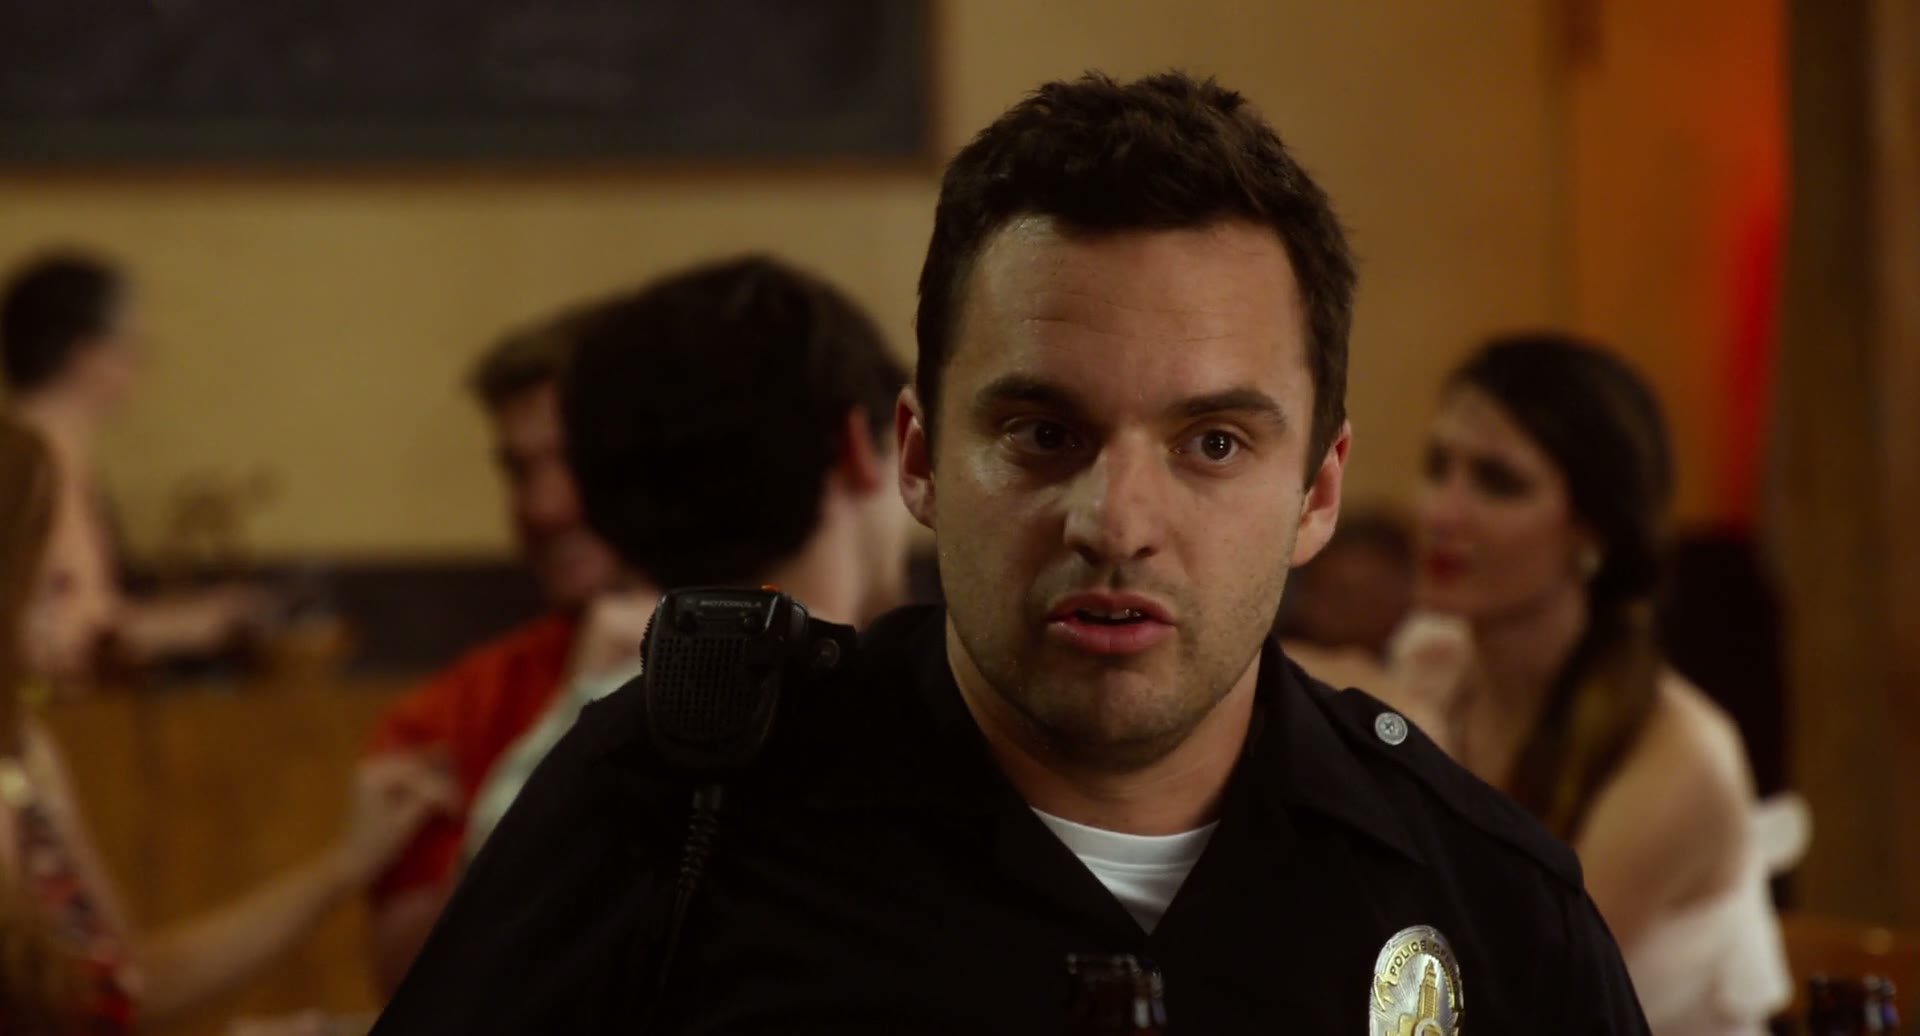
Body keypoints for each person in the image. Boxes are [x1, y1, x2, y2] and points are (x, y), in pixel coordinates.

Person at [374, 72, 1648, 1033]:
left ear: (1318, 491)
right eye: (1044, 433)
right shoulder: (677, 817)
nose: (1116, 520)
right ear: (919, 457)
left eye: (1211, 443)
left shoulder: (1479, 902)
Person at [1383, 333, 1791, 1032]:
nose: (1442, 514)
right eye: (1438, 467)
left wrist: (1417, 764)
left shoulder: (1682, 755)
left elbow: (1507, 1002)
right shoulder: (1433, 662)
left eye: (1497, 482)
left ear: (1593, 530)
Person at [0, 419, 458, 1033]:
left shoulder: (26, 750)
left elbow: (132, 982)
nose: (97, 611)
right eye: (59, 586)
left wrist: (343, 866)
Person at [362, 314, 624, 993]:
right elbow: (412, 985)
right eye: (517, 470)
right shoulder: (447, 717)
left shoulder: (763, 667)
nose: (544, 506)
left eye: (573, 460)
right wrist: (571, 714)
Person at [0, 251, 273, 679]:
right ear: (87, 355)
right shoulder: (32, 464)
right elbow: (63, 632)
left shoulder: (44, 454)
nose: (139, 367)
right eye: (132, 347)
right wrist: (188, 625)